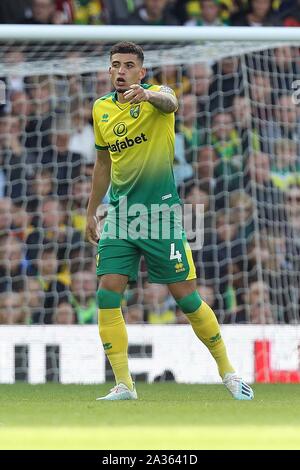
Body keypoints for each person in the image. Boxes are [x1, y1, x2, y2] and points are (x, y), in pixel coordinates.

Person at [85, 41, 254, 401]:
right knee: (106, 292)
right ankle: (125, 385)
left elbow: (171, 102)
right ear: (109, 69)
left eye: (129, 65)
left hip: (161, 215)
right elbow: (102, 164)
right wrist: (91, 210)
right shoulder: (100, 108)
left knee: (187, 299)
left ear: (141, 72)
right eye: (115, 64)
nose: (121, 71)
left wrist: (146, 97)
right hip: (120, 215)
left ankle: (228, 372)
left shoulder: (158, 97)